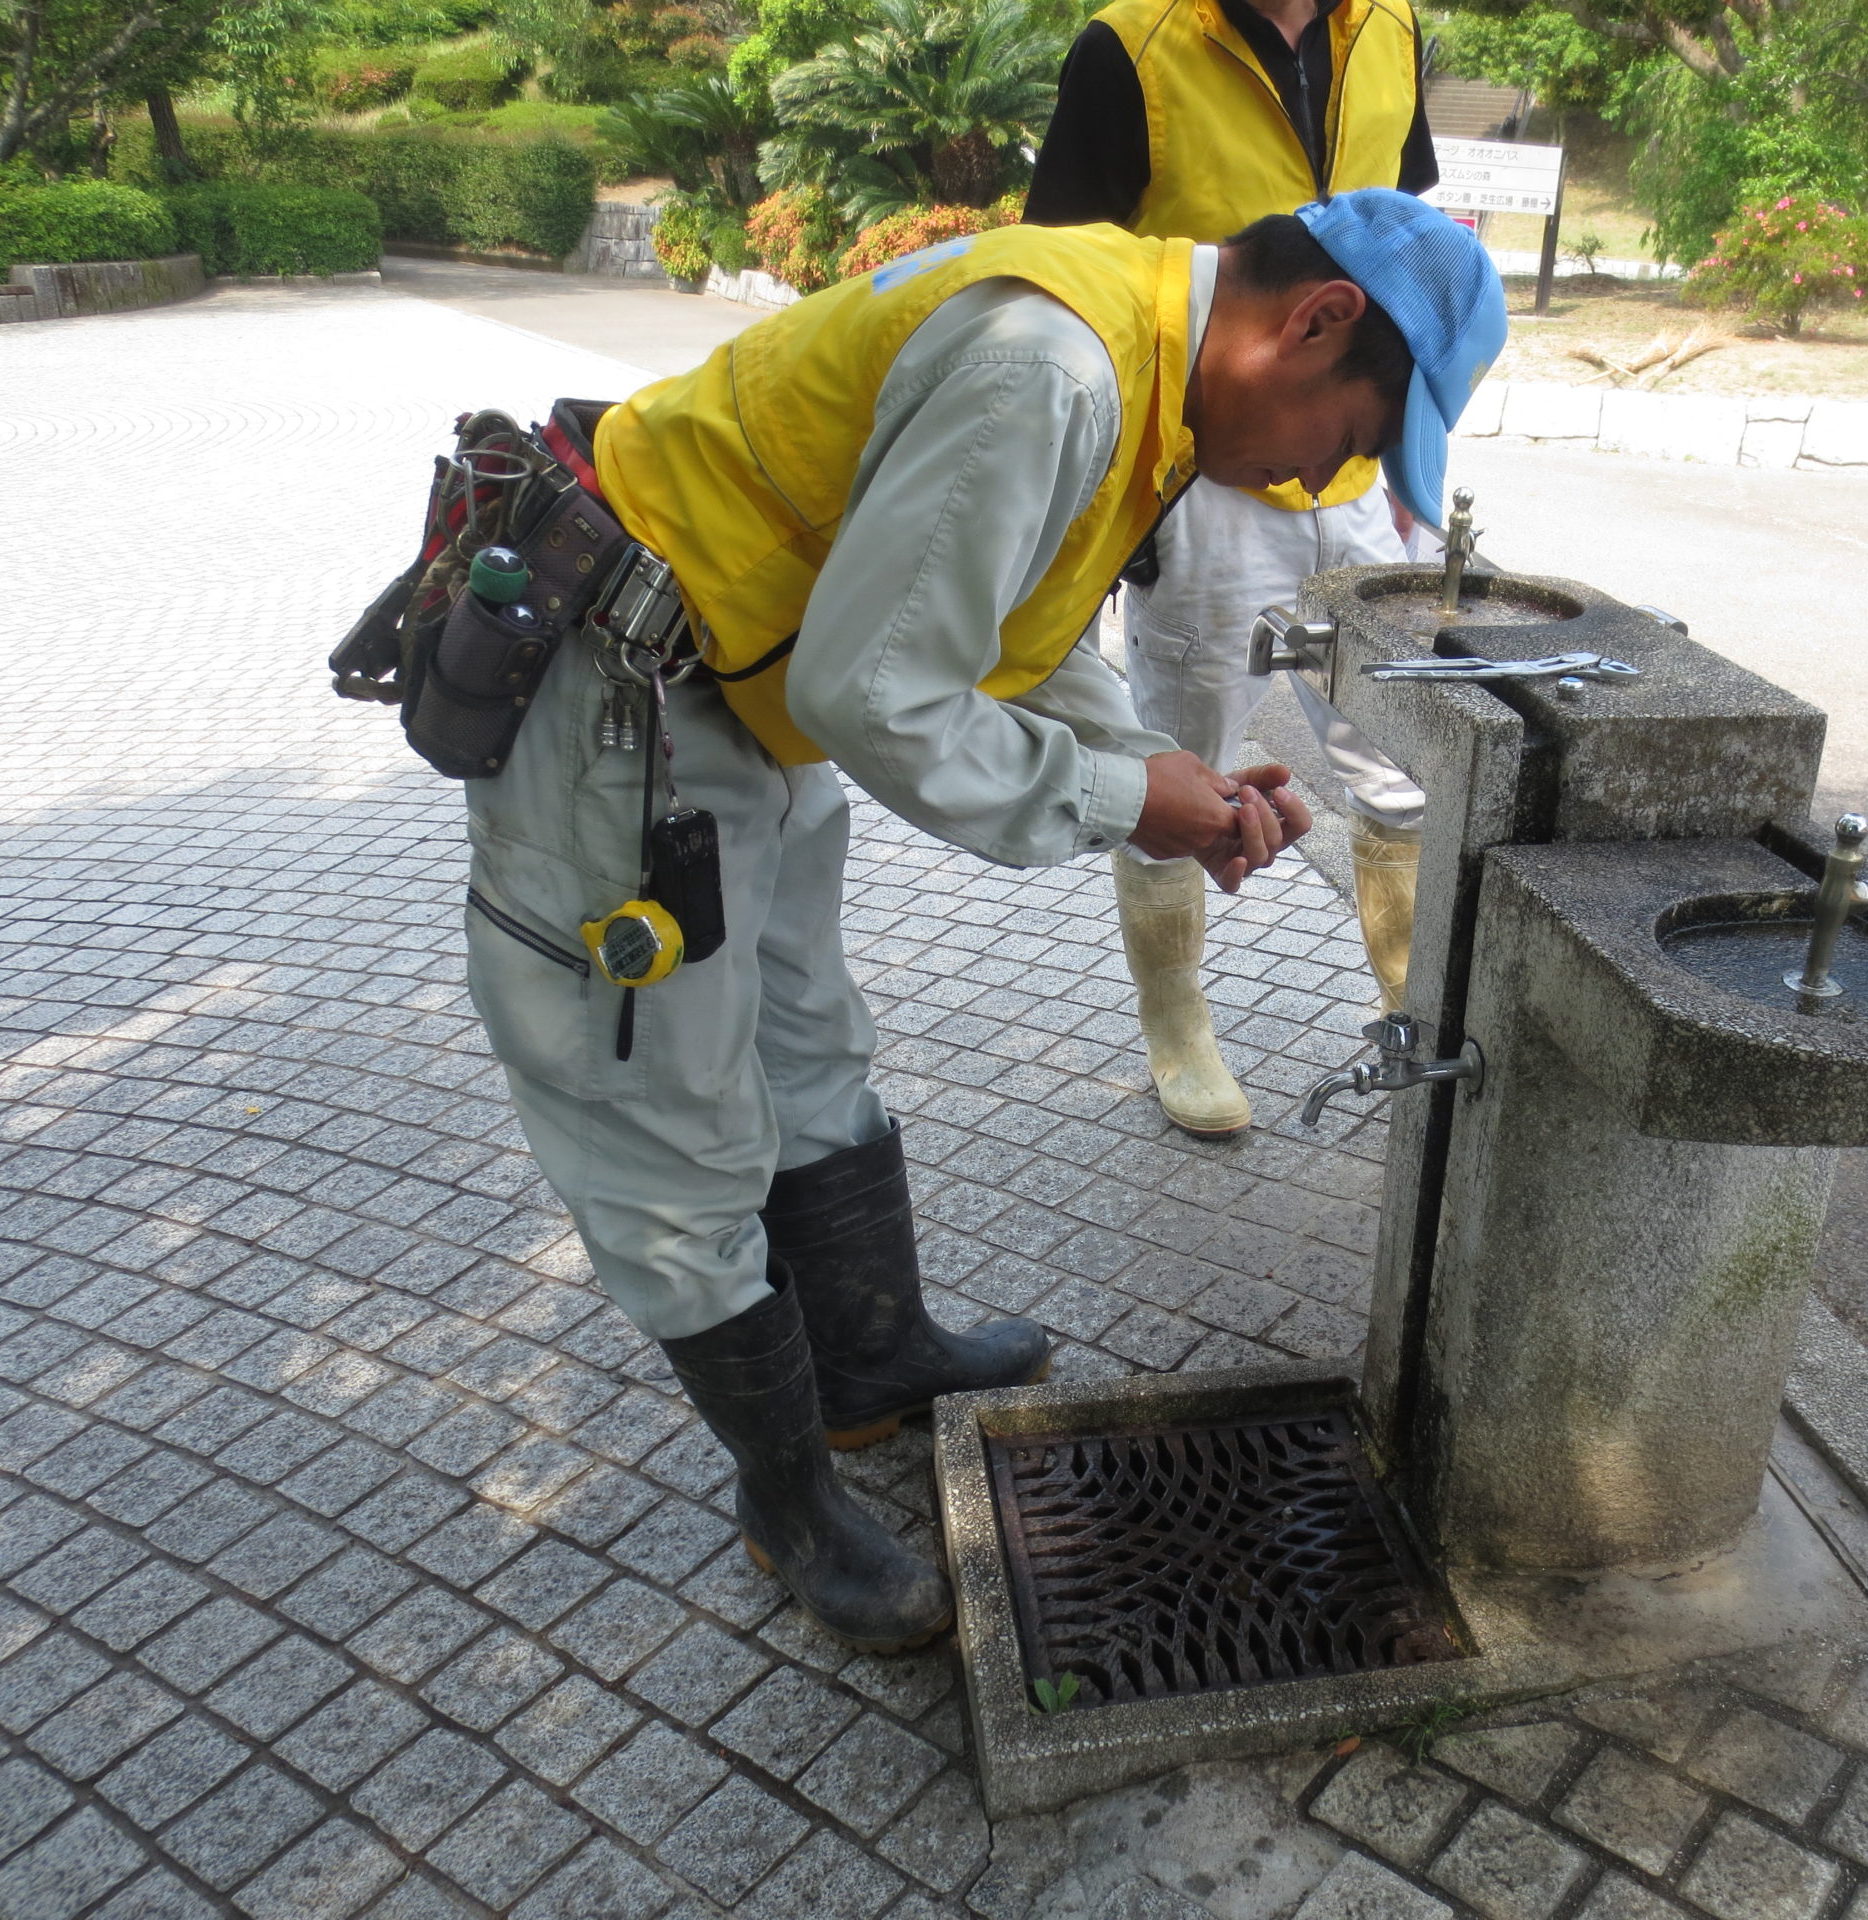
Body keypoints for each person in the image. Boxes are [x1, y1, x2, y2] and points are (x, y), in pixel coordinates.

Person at [460, 190, 1506, 1654]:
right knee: (664, 1107)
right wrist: (1122, 799)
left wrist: (1162, 770)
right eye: (1347, 435)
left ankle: (871, 1360)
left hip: (740, 679)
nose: (1314, 476)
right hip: (628, 695)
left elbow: (1012, 625)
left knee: (808, 1039)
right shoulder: (1055, 369)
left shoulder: (1140, 351)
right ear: (1316, 322)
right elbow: (873, 693)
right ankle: (789, 1502)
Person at [1026, 0, 1445, 1138]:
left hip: (1353, 466)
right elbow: (1060, 275)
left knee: (1400, 763)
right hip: (1201, 467)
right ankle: (1177, 1025)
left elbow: (1413, 231)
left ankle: (1408, 1006)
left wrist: (1403, 457)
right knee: (1180, 759)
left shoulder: (1394, 30)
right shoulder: (1130, 48)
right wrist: (1116, 496)